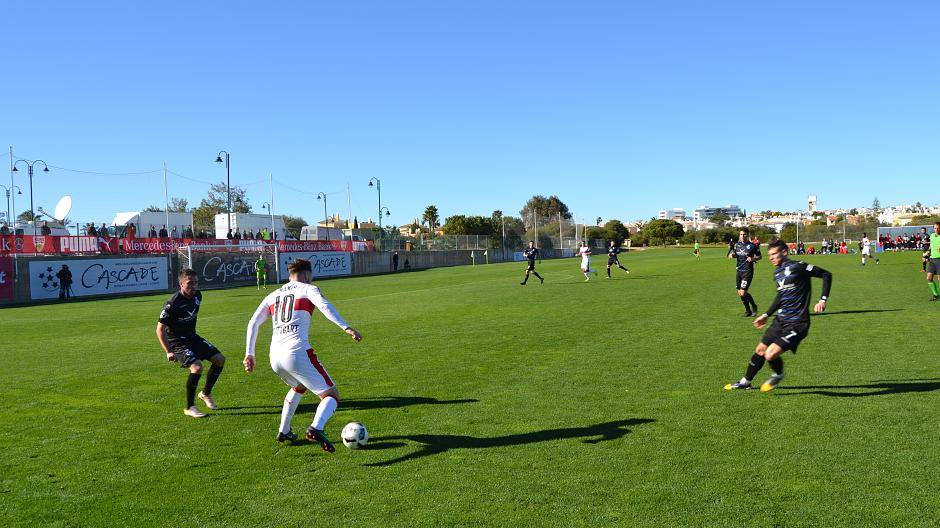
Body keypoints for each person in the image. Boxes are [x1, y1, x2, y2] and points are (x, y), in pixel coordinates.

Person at [244, 259, 362, 449]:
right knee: (331, 395)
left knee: (299, 387)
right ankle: (316, 427)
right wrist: (345, 327)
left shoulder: (273, 295)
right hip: (296, 352)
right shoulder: (308, 289)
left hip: (274, 356)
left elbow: (253, 322)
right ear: (307, 275)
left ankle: (284, 430)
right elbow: (325, 306)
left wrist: (250, 353)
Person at [725, 239, 832, 392]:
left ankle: (778, 374)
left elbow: (826, 274)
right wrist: (766, 314)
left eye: (774, 254)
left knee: (770, 354)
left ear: (784, 252)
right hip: (780, 320)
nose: (771, 257)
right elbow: (781, 296)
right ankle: (745, 381)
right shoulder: (777, 273)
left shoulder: (798, 266)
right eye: (769, 255)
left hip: (798, 323)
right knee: (760, 350)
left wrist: (823, 299)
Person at [156, 269, 226, 418]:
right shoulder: (172, 304)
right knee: (197, 367)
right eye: (190, 283)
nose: (194, 286)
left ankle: (205, 394)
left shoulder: (198, 296)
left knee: (220, 360)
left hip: (192, 338)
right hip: (177, 342)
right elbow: (160, 330)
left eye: (196, 283)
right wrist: (168, 351)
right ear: (181, 284)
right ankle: (190, 407)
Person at [727, 228, 761, 317]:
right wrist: (732, 255)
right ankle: (748, 311)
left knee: (743, 292)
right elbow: (737, 255)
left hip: (748, 271)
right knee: (740, 292)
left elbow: (760, 256)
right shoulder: (737, 245)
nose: (742, 236)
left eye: (744, 234)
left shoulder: (753, 246)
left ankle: (754, 306)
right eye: (741, 234)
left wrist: (753, 259)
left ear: (747, 235)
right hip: (739, 270)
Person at [925, 222, 940, 301]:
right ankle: (936, 295)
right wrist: (928, 252)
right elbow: (931, 245)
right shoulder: (932, 236)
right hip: (932, 260)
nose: (936, 229)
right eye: (935, 228)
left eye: (938, 228)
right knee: (929, 278)